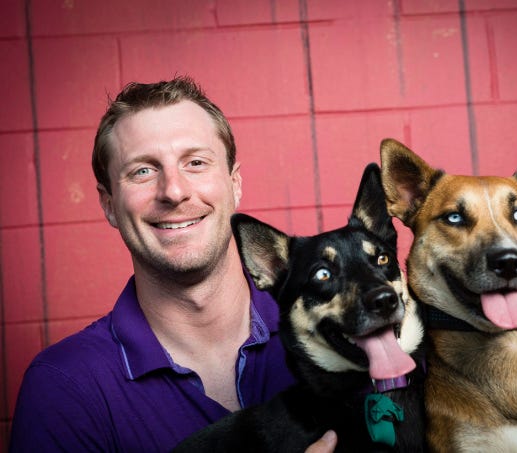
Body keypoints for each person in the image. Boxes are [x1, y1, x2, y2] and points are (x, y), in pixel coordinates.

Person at [10, 77, 336, 452]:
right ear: (109, 204)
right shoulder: (64, 387)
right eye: (142, 171)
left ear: (235, 184)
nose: (174, 191)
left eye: (195, 163)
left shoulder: (338, 328)